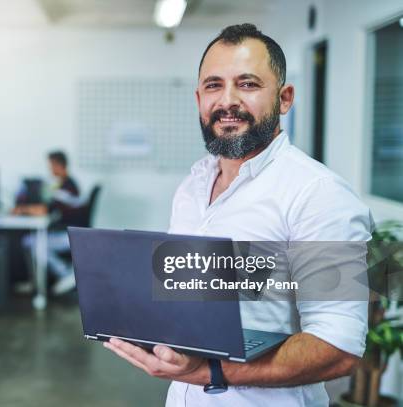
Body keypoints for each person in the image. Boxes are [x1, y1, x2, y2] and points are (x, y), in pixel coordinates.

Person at [103, 24, 373, 406]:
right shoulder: (193, 186)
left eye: (247, 84)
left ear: (285, 98)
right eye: (213, 85)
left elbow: (339, 346)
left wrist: (208, 372)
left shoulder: (319, 195)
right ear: (198, 98)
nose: (227, 101)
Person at [16, 151, 82, 295]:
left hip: (69, 235)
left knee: (32, 243)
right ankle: (35, 282)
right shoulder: (65, 184)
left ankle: (64, 273)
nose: (50, 169)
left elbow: (44, 210)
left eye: (51, 165)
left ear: (58, 165)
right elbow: (51, 207)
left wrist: (22, 209)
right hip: (67, 231)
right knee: (29, 241)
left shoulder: (66, 189)